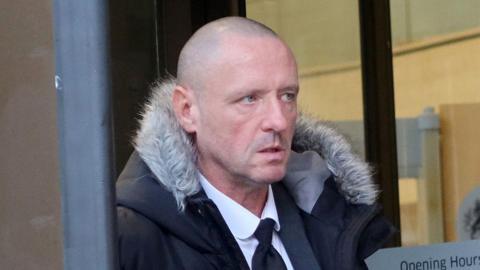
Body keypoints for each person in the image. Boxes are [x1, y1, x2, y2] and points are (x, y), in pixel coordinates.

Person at [116, 16, 395, 270]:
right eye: (249, 98)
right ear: (187, 110)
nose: (279, 121)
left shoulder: (332, 219)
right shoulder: (128, 240)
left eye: (287, 96)